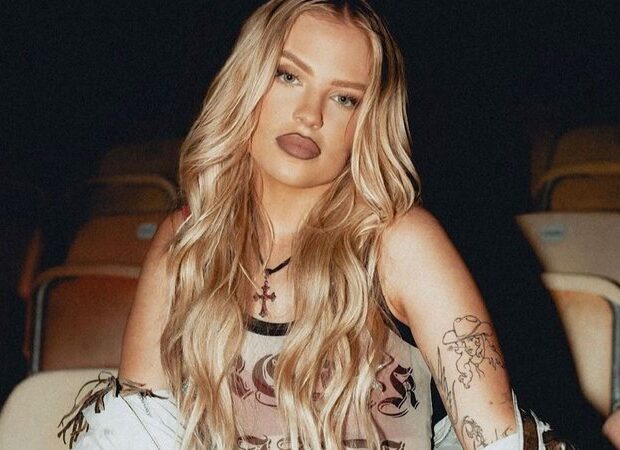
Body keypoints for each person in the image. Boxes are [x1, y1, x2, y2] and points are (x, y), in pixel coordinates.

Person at [59, 1, 569, 448]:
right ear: (247, 83)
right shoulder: (187, 239)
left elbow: (497, 440)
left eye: (344, 98)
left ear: (367, 122)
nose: (310, 114)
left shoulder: (401, 244)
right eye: (289, 76)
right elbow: (136, 435)